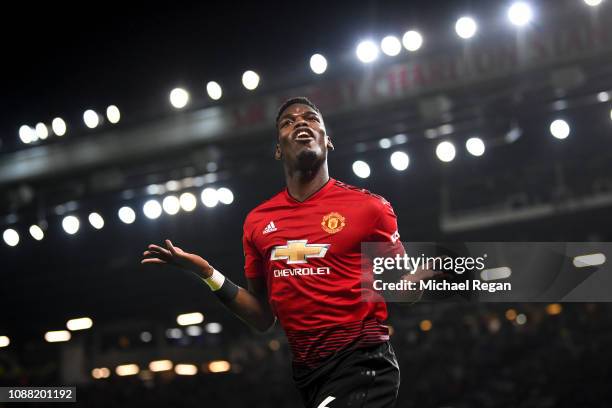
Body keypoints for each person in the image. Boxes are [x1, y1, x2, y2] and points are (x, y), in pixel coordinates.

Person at [142, 97, 428, 407]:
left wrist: (433, 273)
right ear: (278, 149)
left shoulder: (370, 208)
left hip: (364, 365)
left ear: (328, 141)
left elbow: (406, 290)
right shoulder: (258, 222)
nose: (301, 123)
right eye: (288, 122)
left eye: (311, 118)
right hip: (309, 376)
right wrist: (206, 273)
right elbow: (264, 316)